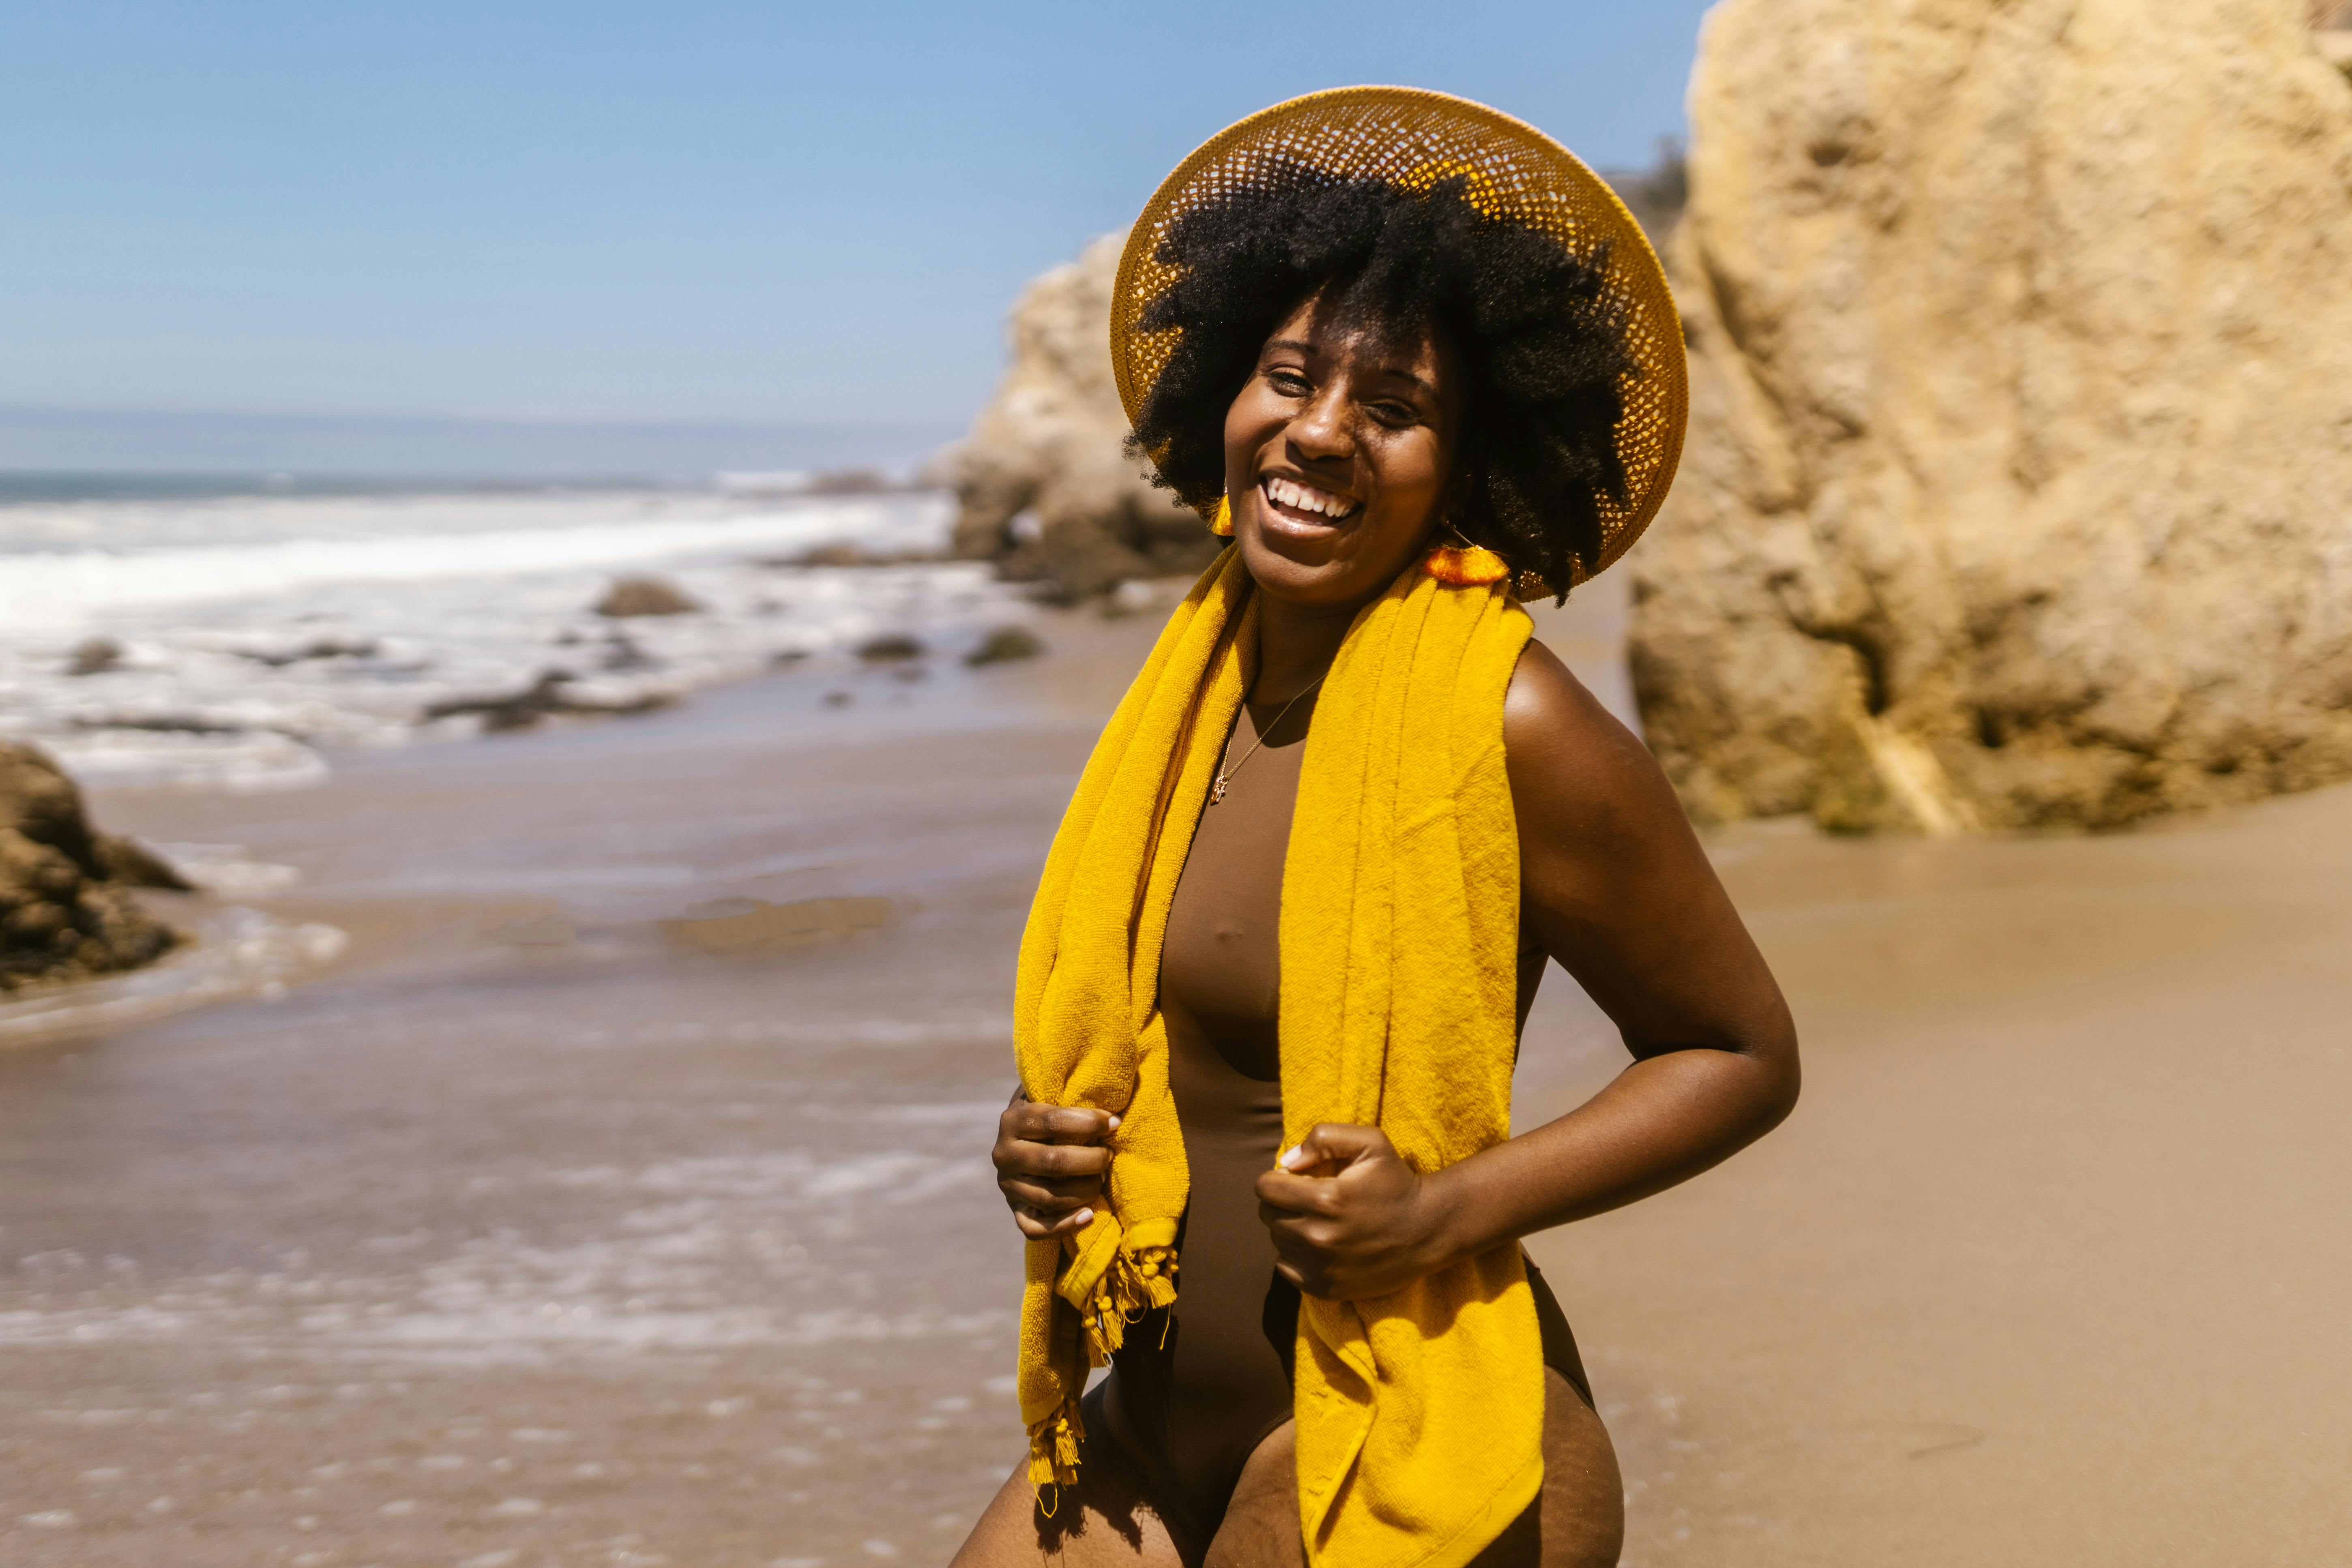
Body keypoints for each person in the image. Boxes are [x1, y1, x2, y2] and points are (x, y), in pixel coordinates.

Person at [954, 88, 1798, 1568]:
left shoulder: (1513, 723)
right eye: (1288, 376)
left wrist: (1445, 1211)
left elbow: (1737, 1054)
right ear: (1225, 387)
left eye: (1395, 410)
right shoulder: (1182, 692)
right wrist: (1040, 1147)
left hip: (1414, 1414)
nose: (1322, 432)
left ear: (1463, 467)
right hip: (1146, 1424)